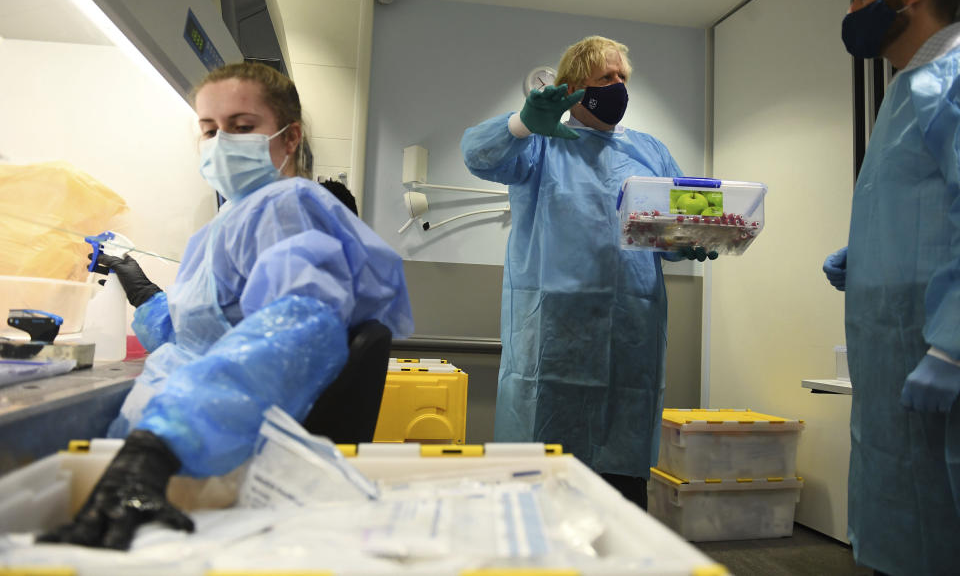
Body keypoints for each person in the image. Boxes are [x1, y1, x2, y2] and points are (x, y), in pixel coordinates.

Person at [41, 62, 414, 550]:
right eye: (210, 129)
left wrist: (160, 443)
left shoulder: (286, 207)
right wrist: (140, 289)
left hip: (209, 453)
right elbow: (197, 338)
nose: (222, 142)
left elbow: (295, 327)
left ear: (289, 136)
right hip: (185, 447)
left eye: (242, 127)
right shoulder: (228, 223)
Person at [461, 35, 708, 509]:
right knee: (544, 482)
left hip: (631, 337)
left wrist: (693, 242)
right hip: (554, 337)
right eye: (604, 78)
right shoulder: (541, 145)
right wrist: (521, 123)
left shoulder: (649, 152)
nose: (617, 87)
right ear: (574, 87)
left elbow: (673, 225)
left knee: (619, 489)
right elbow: (478, 155)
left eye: (621, 78)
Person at [822, 0, 960, 573]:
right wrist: (875, 248)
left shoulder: (951, 78)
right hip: (896, 356)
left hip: (937, 349)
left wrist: (951, 347)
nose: (852, 12)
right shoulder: (908, 88)